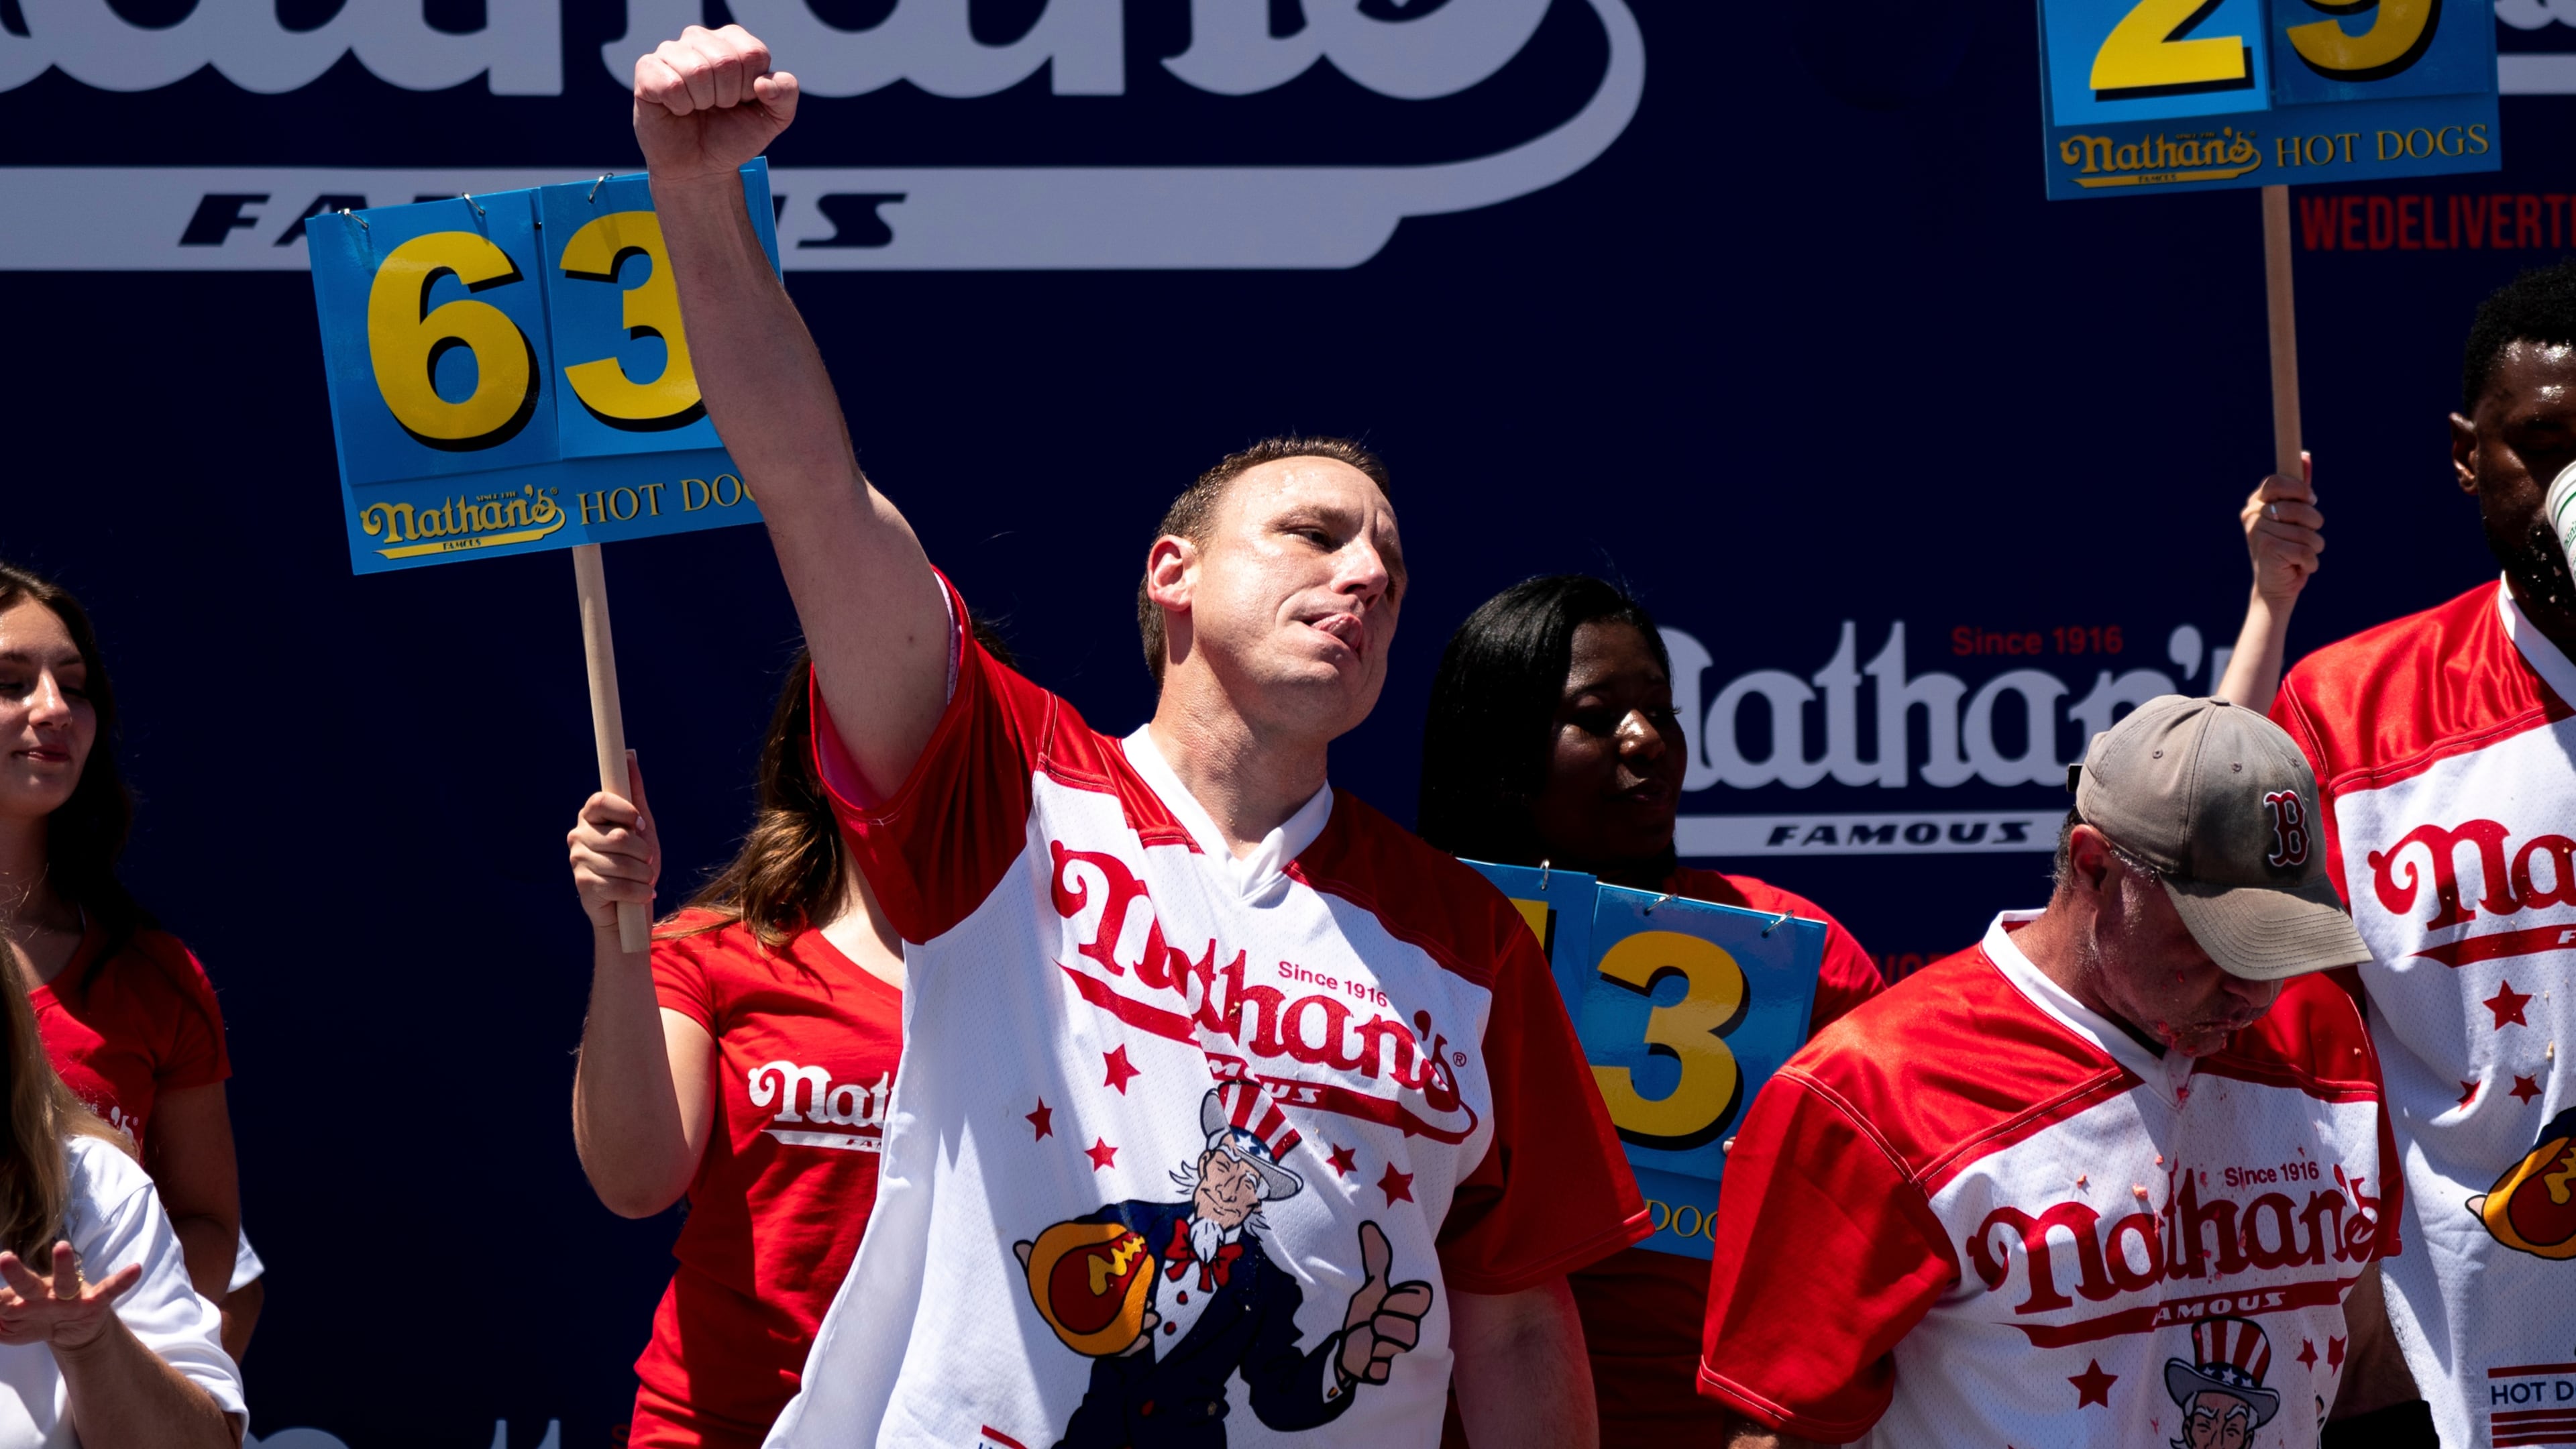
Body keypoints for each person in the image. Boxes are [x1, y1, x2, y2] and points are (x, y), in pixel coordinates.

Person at [629, 24, 1648, 1447]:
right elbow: (810, 485)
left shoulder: (1470, 949)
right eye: (1314, 535)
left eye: (1391, 565)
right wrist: (697, 201)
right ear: (1173, 575)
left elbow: (1521, 1323)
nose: (1365, 574)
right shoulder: (1004, 788)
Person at [1697, 696, 2407, 1448]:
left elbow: (2362, 1354)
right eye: (2221, 941)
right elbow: (1778, 1431)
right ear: (2095, 867)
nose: (2254, 990)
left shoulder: (2324, 1033)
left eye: (2283, 942)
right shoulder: (1871, 1090)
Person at [1414, 574, 1884, 1446]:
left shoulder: (1792, 949)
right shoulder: (1398, 947)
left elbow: (1897, 1217)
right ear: (1502, 753)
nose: (1646, 740)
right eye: (1596, 717)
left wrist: (1781, 1416)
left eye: (1661, 711)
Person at [2253, 260, 2576, 1449]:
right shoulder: (2351, 712)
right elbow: (2273, 1032)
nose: (2574, 488)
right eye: (2543, 444)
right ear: (2466, 455)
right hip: (2460, 1352)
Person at [566, 649, 909, 1449]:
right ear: (816, 748)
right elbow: (636, 1180)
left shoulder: (1049, 970)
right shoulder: (712, 954)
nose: (913, 741)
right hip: (717, 1427)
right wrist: (619, 929)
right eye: (877, 707)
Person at [0, 564, 258, 1363]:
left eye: (74, 687)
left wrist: (89, 1331)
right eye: (10, 682)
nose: (54, 709)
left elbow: (211, 1232)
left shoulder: (156, 976)